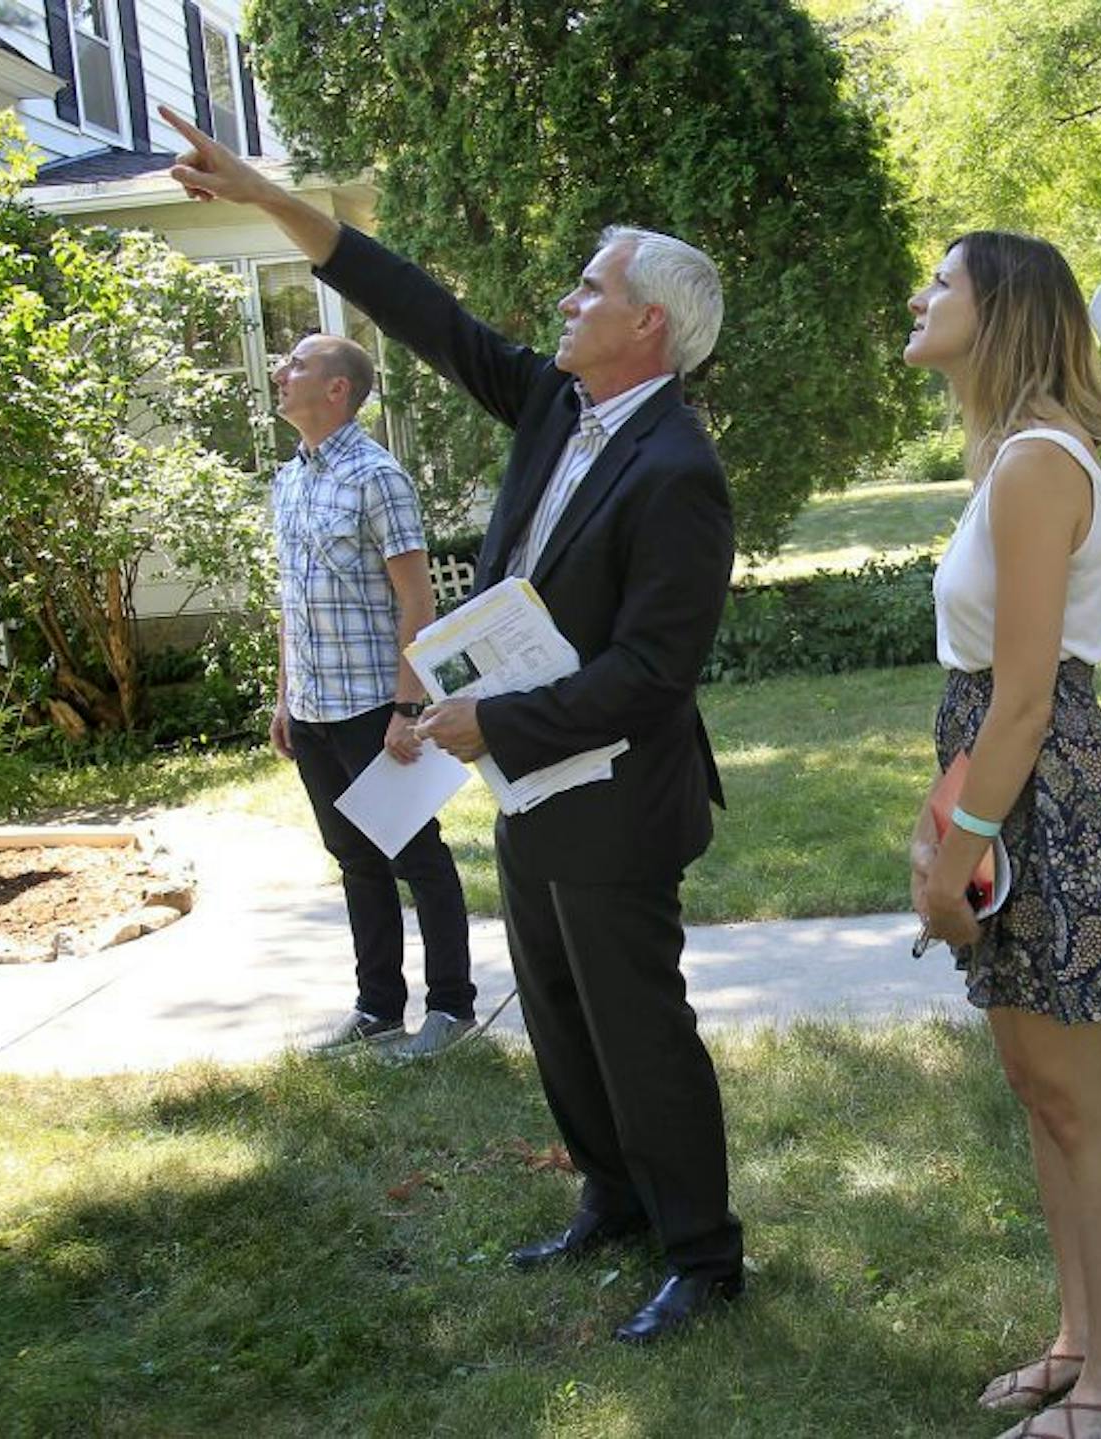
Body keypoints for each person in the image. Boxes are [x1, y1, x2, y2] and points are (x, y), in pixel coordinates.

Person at [162, 104, 743, 1344]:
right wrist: (274, 200)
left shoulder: (680, 469)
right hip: (531, 781)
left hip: (613, 788)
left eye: (593, 289)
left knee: (640, 1025)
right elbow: (425, 313)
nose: (567, 301)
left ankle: (705, 1254)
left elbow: (656, 670)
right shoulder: (554, 405)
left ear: (649, 325)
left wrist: (496, 717)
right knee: (556, 1005)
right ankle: (615, 1199)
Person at [907, 232, 1101, 1438]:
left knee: (1078, 1095)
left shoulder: (1036, 465)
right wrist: (953, 827)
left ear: (1002, 311)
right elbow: (992, 699)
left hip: (1046, 790)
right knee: (1035, 1085)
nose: (919, 299)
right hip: (1002, 770)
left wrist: (960, 846)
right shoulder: (1005, 460)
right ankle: (1075, 1338)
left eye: (941, 283)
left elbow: (1026, 694)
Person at [267, 329, 477, 1060]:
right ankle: (378, 1007)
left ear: (337, 390)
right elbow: (294, 600)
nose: (279, 371)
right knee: (355, 861)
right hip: (315, 710)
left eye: (296, 364)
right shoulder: (289, 479)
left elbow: (417, 600)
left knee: (417, 857)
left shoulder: (376, 476)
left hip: (373, 708)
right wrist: (285, 697)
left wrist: (407, 707)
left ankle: (452, 1007)